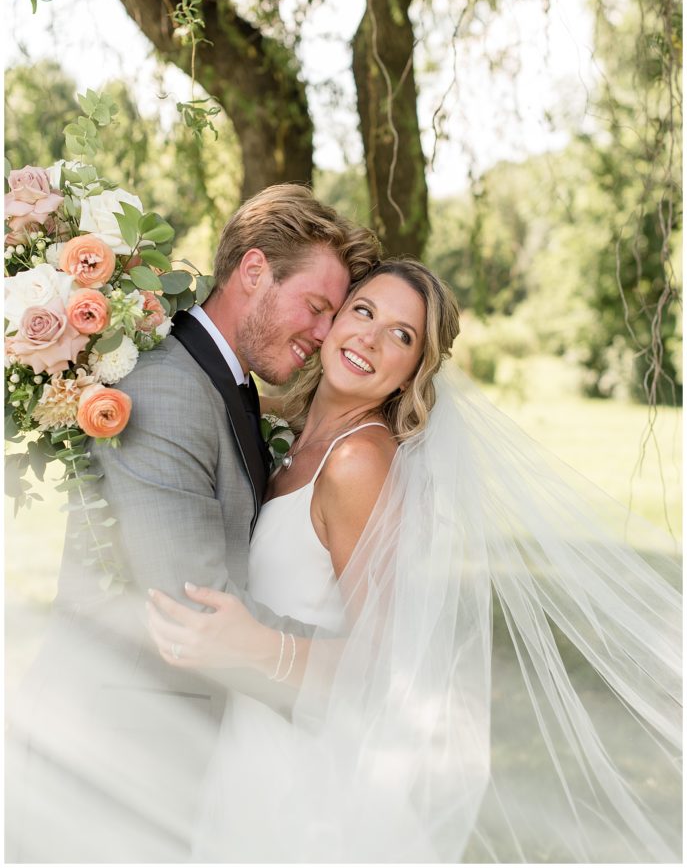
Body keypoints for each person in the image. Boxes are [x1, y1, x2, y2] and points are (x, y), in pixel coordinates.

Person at [148, 258, 682, 863]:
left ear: (413, 373)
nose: (370, 339)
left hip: (304, 781)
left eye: (401, 336)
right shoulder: (293, 436)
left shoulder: (358, 462)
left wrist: (257, 647)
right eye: (364, 312)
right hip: (250, 745)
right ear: (335, 318)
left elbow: (384, 667)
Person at [5, 183, 381, 863]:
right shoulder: (165, 389)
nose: (326, 334)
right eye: (317, 307)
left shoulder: (225, 384)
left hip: (164, 765)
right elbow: (192, 607)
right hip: (108, 767)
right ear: (255, 271)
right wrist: (348, 670)